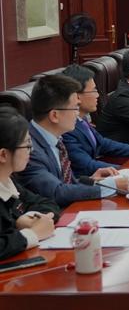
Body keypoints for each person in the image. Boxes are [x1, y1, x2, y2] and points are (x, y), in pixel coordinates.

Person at [16, 75, 127, 208]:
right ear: (55, 115)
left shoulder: (55, 139)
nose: (77, 113)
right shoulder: (28, 148)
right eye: (75, 108)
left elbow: (66, 183)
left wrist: (92, 181)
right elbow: (57, 192)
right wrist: (112, 186)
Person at [0, 107, 59, 260]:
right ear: (3, 155)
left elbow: (46, 203)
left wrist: (27, 218)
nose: (31, 151)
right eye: (26, 145)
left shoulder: (8, 181)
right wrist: (32, 234)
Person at [61, 65, 129, 177]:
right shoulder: (67, 128)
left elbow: (102, 143)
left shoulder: (81, 119)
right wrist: (126, 170)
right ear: (77, 96)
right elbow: (86, 165)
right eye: (93, 90)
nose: (97, 95)